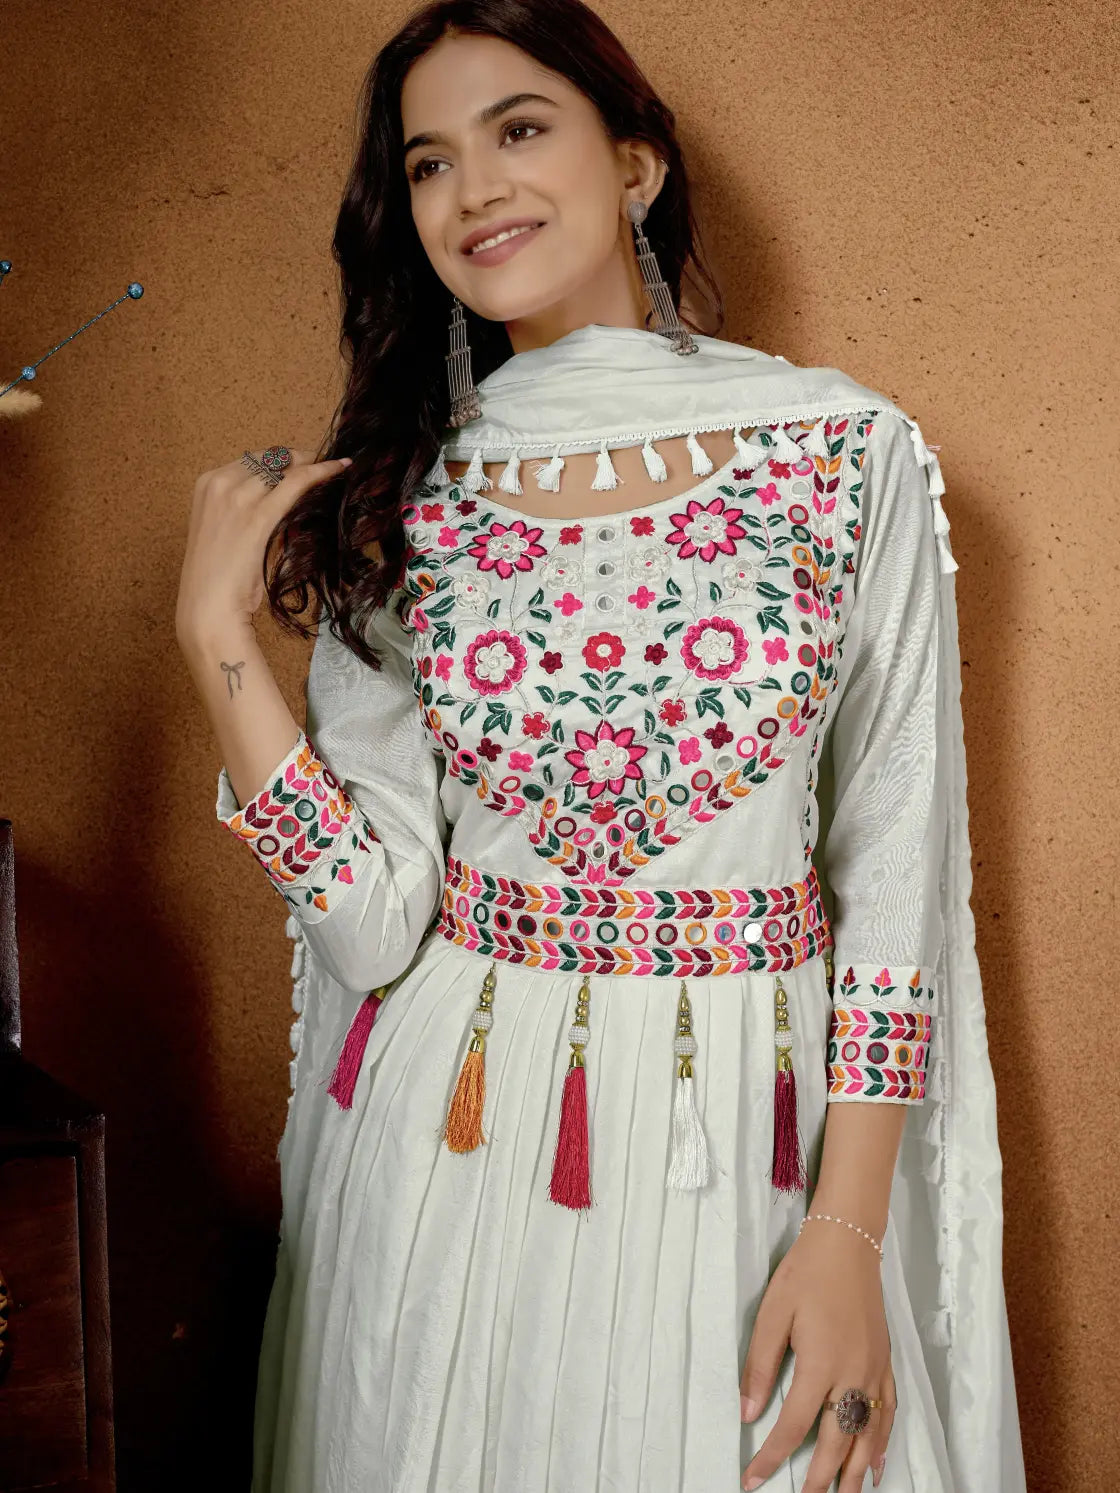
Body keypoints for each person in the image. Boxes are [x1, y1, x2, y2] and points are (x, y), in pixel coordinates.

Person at [175, 1, 1027, 1488]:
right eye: (429, 163)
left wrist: (846, 1230)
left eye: (518, 129)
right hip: (457, 1152)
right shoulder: (401, 500)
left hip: (753, 1147)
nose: (475, 188)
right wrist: (217, 643)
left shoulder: (840, 450)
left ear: (635, 163)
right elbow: (370, 923)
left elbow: (894, 863)